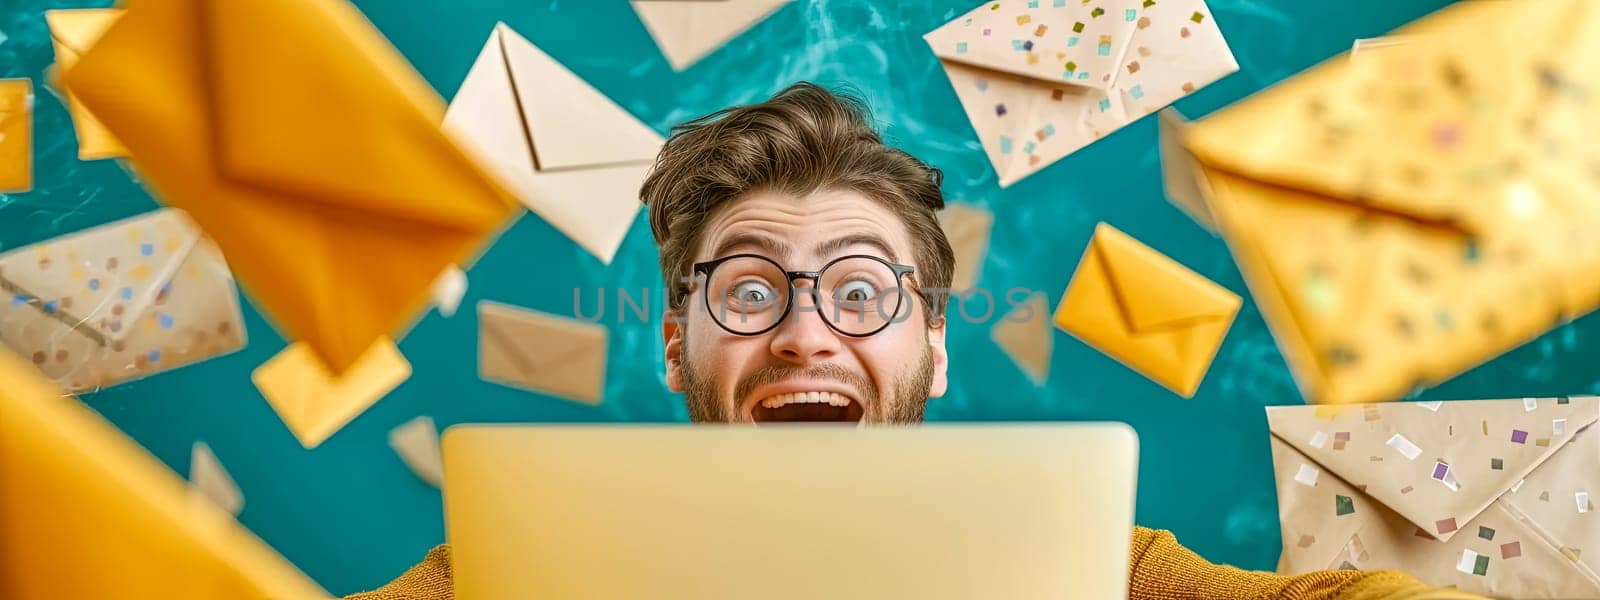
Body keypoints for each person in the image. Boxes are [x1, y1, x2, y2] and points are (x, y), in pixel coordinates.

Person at [350, 82, 1480, 600]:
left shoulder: (1085, 571)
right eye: (747, 292)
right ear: (674, 344)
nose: (802, 335)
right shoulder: (516, 577)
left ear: (934, 348)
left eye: (859, 292)